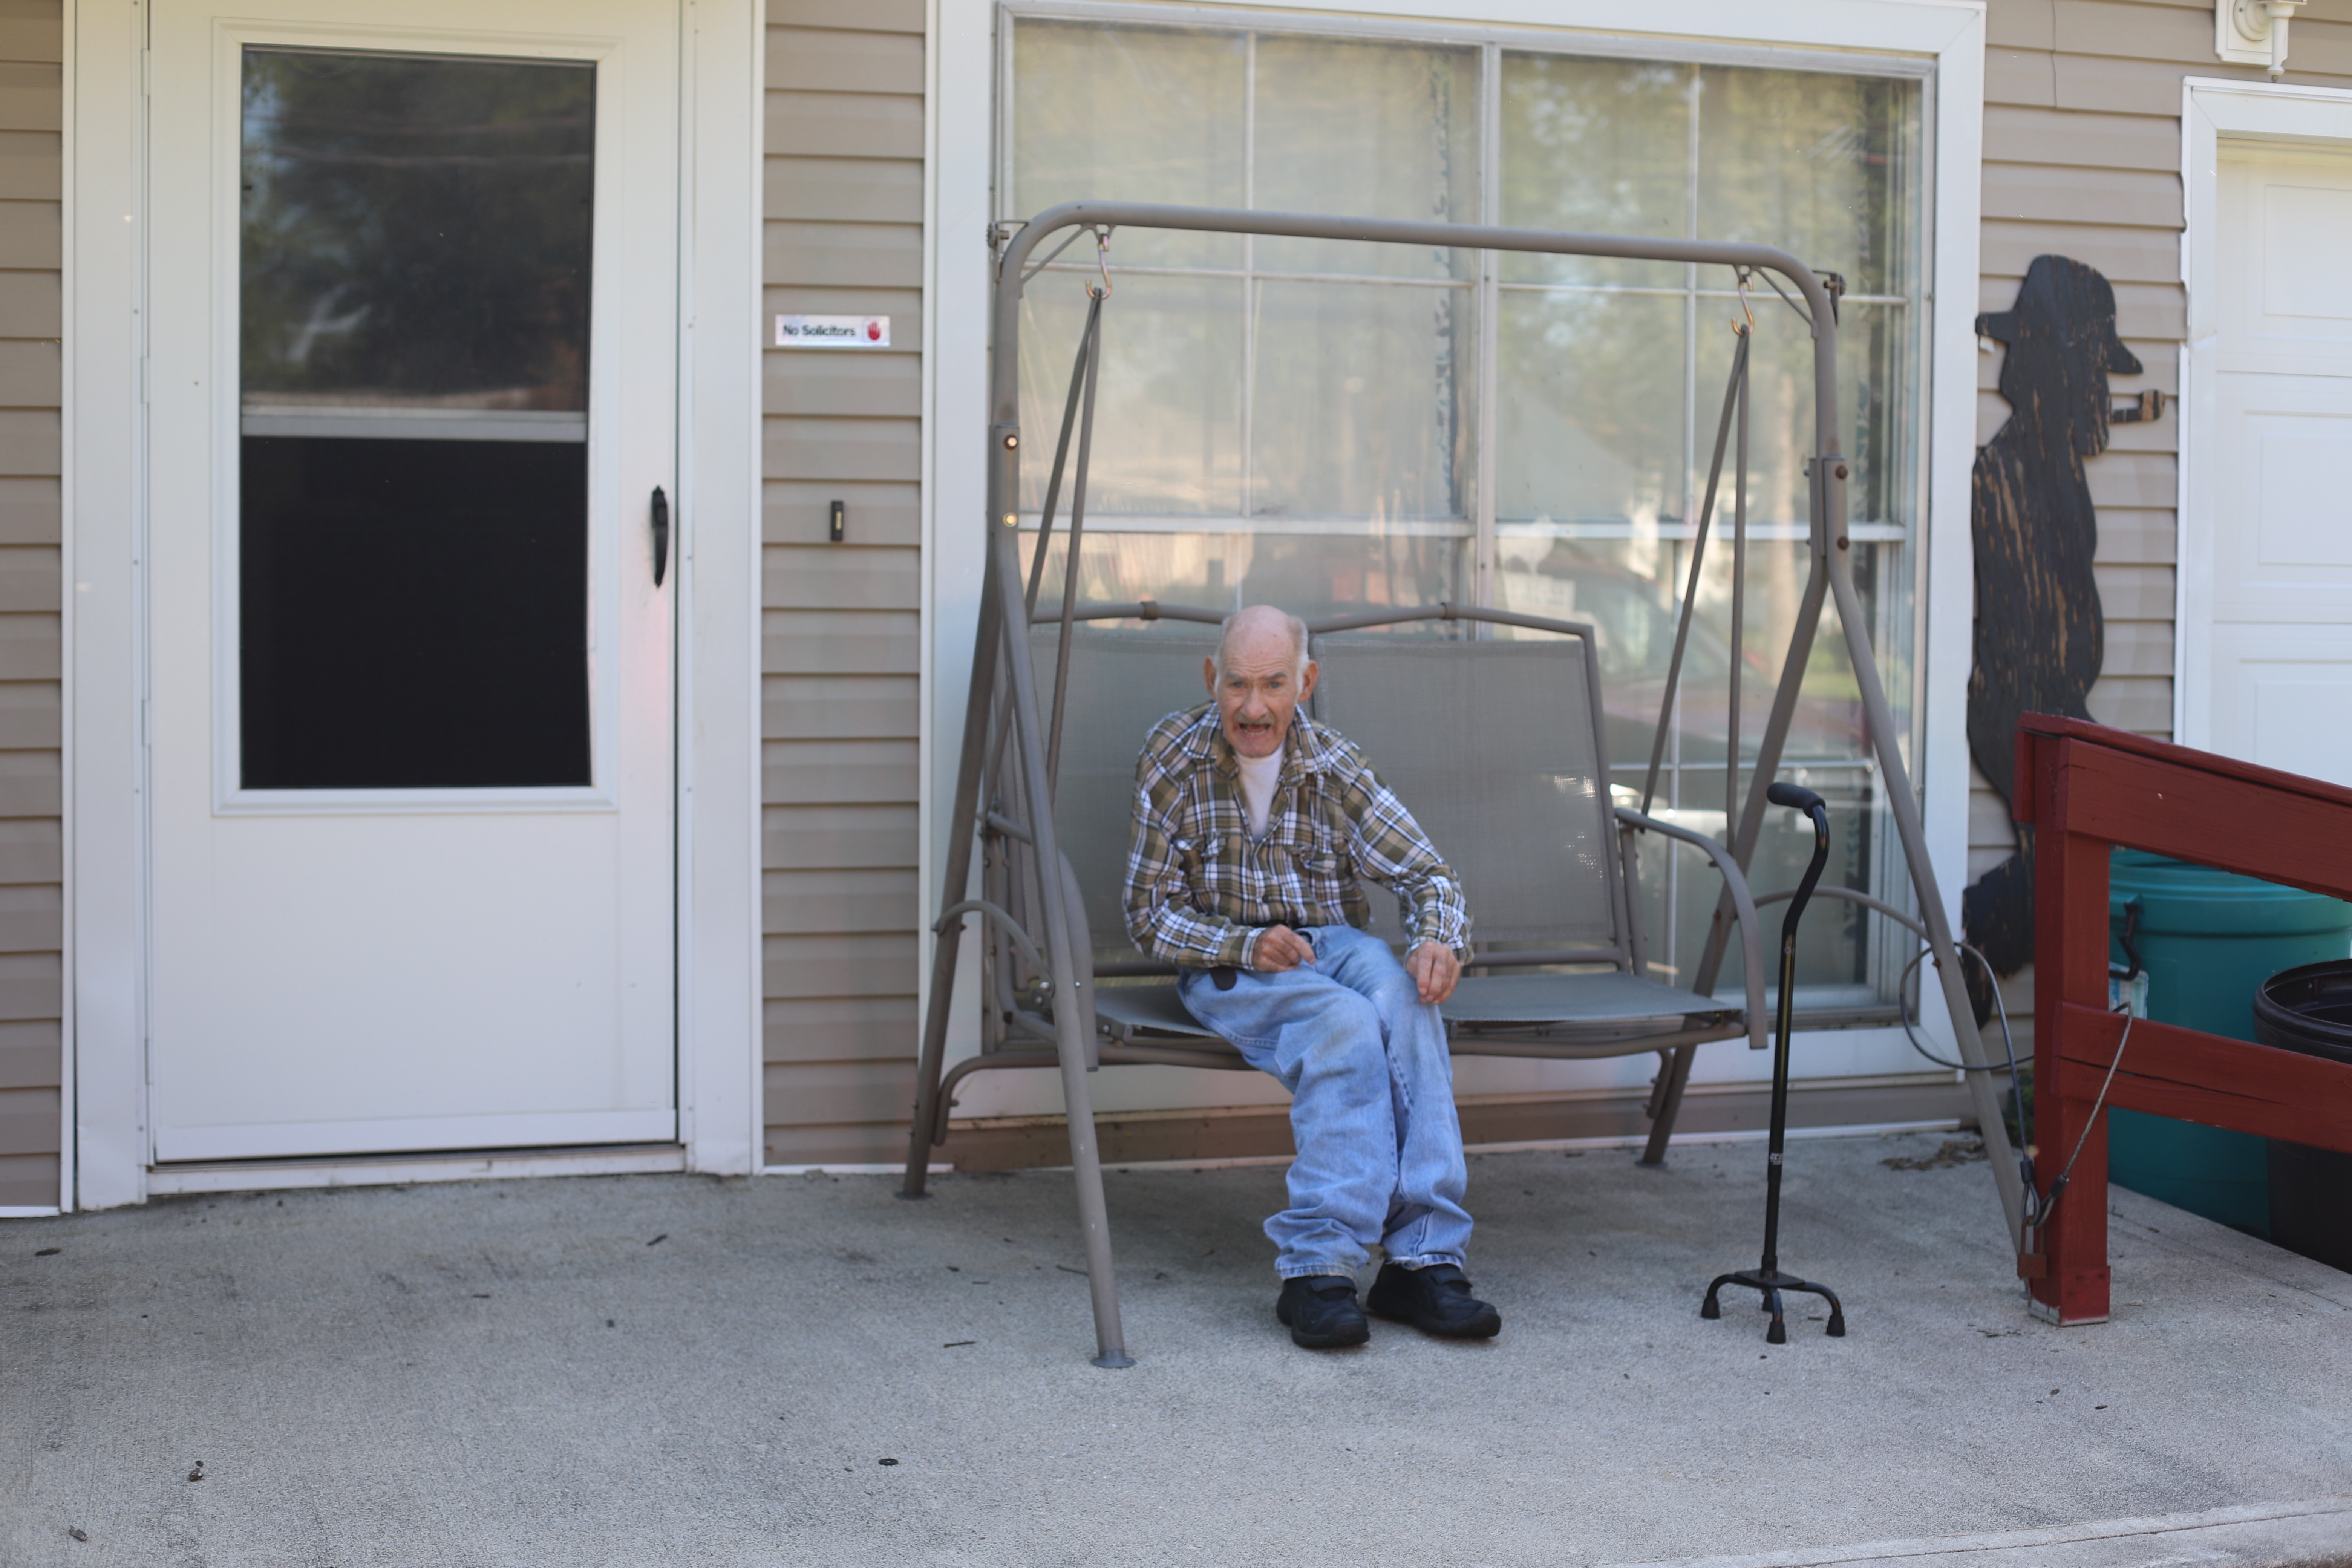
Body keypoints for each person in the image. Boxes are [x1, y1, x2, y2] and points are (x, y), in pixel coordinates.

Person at [1121, 603, 1500, 1349]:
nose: (1254, 708)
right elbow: (1148, 915)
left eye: (1273, 685)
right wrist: (1242, 943)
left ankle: (1422, 1260)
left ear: (1307, 682)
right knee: (1346, 1023)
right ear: (1212, 679)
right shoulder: (1173, 755)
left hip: (1332, 945)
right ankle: (1317, 1271)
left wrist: (1436, 942)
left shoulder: (1334, 762)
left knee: (1407, 997)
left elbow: (1428, 874)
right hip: (1226, 961)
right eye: (1236, 685)